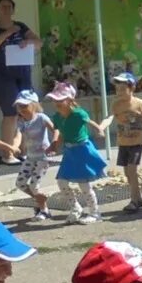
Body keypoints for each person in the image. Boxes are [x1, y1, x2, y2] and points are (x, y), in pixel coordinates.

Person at [0, 0, 41, 159]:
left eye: (9, 6)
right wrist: (7, 33)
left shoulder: (21, 26)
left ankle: (23, 151)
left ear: (13, 9)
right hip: (4, 76)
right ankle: (8, 153)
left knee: (26, 111)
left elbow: (38, 42)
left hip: (23, 74)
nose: (7, 10)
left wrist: (29, 42)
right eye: (3, 7)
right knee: (10, 113)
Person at [99, 72, 142, 214]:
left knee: (132, 170)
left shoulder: (140, 104)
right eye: (117, 89)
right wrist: (101, 127)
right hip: (123, 143)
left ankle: (134, 201)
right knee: (128, 173)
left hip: (136, 143)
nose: (119, 92)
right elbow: (109, 117)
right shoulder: (116, 104)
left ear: (132, 88)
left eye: (122, 89)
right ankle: (139, 198)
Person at [47, 82, 107, 225]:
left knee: (83, 184)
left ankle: (95, 212)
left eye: (61, 100)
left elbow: (90, 122)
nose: (57, 102)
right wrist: (55, 145)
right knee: (61, 181)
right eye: (55, 100)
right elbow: (60, 132)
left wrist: (99, 129)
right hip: (69, 152)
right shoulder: (57, 116)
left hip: (82, 150)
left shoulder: (79, 114)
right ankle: (75, 208)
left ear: (70, 100)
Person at [12, 91, 59, 222]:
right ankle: (40, 200)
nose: (21, 109)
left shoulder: (41, 118)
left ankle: (43, 210)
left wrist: (54, 143)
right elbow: (18, 135)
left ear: (34, 105)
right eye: (19, 106)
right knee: (20, 183)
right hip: (30, 157)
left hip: (43, 157)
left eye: (24, 106)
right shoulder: (21, 121)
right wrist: (15, 146)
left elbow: (55, 129)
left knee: (34, 186)